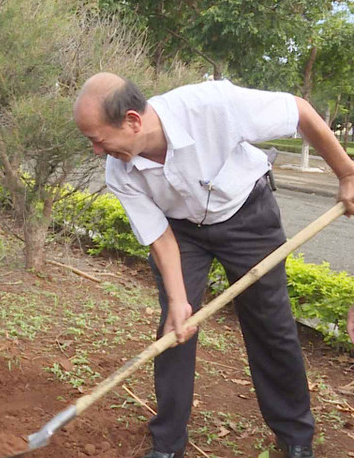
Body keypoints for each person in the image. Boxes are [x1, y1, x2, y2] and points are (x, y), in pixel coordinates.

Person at [73, 73, 354, 458]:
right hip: (182, 233)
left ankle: (295, 437)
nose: (95, 150)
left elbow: (299, 112)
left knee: (271, 325)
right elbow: (160, 238)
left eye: (98, 139)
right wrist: (178, 300)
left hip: (247, 216)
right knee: (175, 329)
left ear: (133, 121)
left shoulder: (212, 105)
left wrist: (347, 172)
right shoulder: (119, 171)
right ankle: (168, 442)